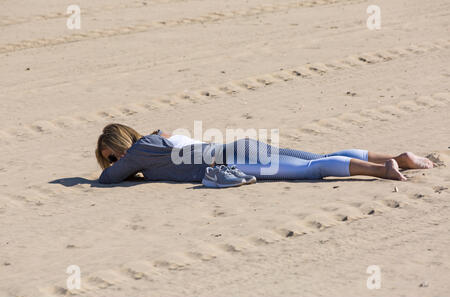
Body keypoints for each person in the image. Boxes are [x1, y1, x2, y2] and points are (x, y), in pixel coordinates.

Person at [95, 123, 435, 187]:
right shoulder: (161, 137)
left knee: (313, 170)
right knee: (319, 156)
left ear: (121, 144)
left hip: (235, 158)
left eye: (111, 155)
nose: (114, 162)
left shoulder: (138, 152)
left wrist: (117, 167)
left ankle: (382, 170)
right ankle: (397, 157)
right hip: (240, 146)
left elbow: (107, 179)